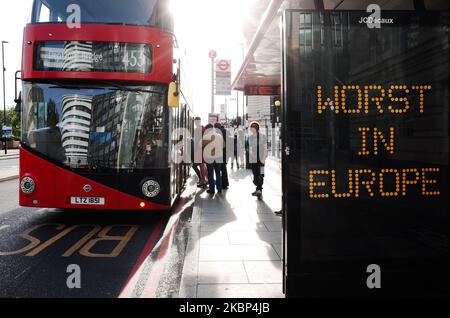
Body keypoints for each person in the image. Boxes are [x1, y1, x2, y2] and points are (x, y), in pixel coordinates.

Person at [248, 121, 268, 199]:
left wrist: (263, 158)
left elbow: (265, 148)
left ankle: (259, 189)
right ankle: (258, 188)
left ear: (256, 128)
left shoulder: (263, 136)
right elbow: (250, 148)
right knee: (255, 174)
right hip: (253, 159)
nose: (251, 129)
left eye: (252, 127)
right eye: (250, 127)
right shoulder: (250, 137)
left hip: (261, 159)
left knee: (261, 174)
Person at [203, 123, 223, 194]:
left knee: (210, 173)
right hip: (219, 157)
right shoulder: (219, 136)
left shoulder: (205, 137)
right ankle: (219, 188)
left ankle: (212, 189)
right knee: (218, 173)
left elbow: (202, 146)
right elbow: (223, 145)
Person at [193, 117, 207, 188]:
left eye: (196, 122)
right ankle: (205, 180)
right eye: (195, 122)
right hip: (203, 149)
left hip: (200, 149)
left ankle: (203, 180)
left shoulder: (198, 129)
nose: (195, 123)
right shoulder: (203, 128)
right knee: (203, 165)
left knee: (202, 165)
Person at [216, 123, 229, 190]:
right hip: (226, 153)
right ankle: (225, 183)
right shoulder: (226, 131)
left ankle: (220, 184)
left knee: (219, 169)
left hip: (220, 152)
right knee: (224, 168)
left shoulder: (219, 132)